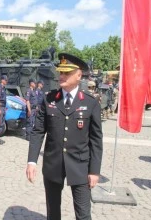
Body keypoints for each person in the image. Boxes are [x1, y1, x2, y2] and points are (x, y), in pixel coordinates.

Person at [26, 53, 103, 220]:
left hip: (80, 165)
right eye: (60, 72)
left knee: (83, 214)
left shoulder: (90, 102)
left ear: (79, 75)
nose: (61, 76)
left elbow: (96, 140)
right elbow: (38, 131)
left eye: (66, 73)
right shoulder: (49, 99)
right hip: (53, 164)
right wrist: (32, 161)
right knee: (53, 212)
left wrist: (95, 171)